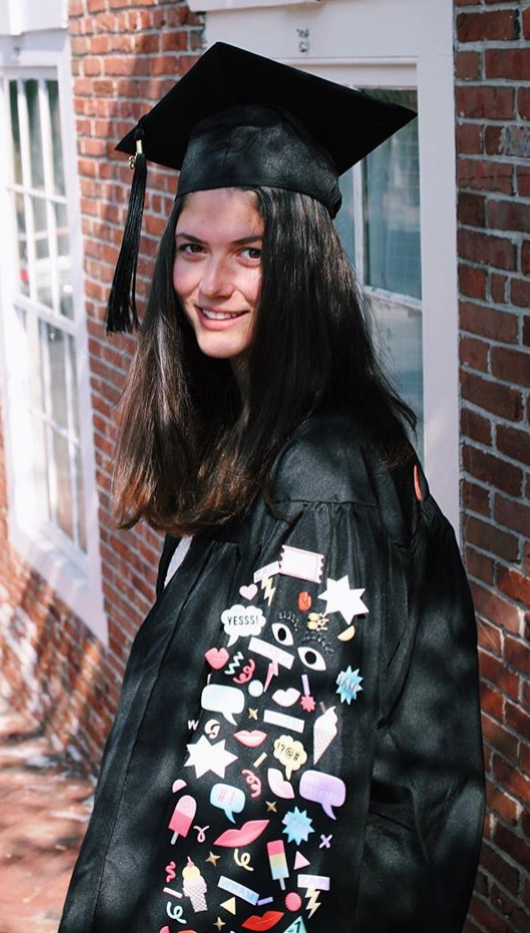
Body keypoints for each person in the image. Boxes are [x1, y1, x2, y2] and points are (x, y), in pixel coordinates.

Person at [60, 42, 485, 933]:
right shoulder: (252, 435)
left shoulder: (319, 488)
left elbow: (264, 839)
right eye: (191, 248)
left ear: (300, 263)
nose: (209, 284)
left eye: (248, 252)